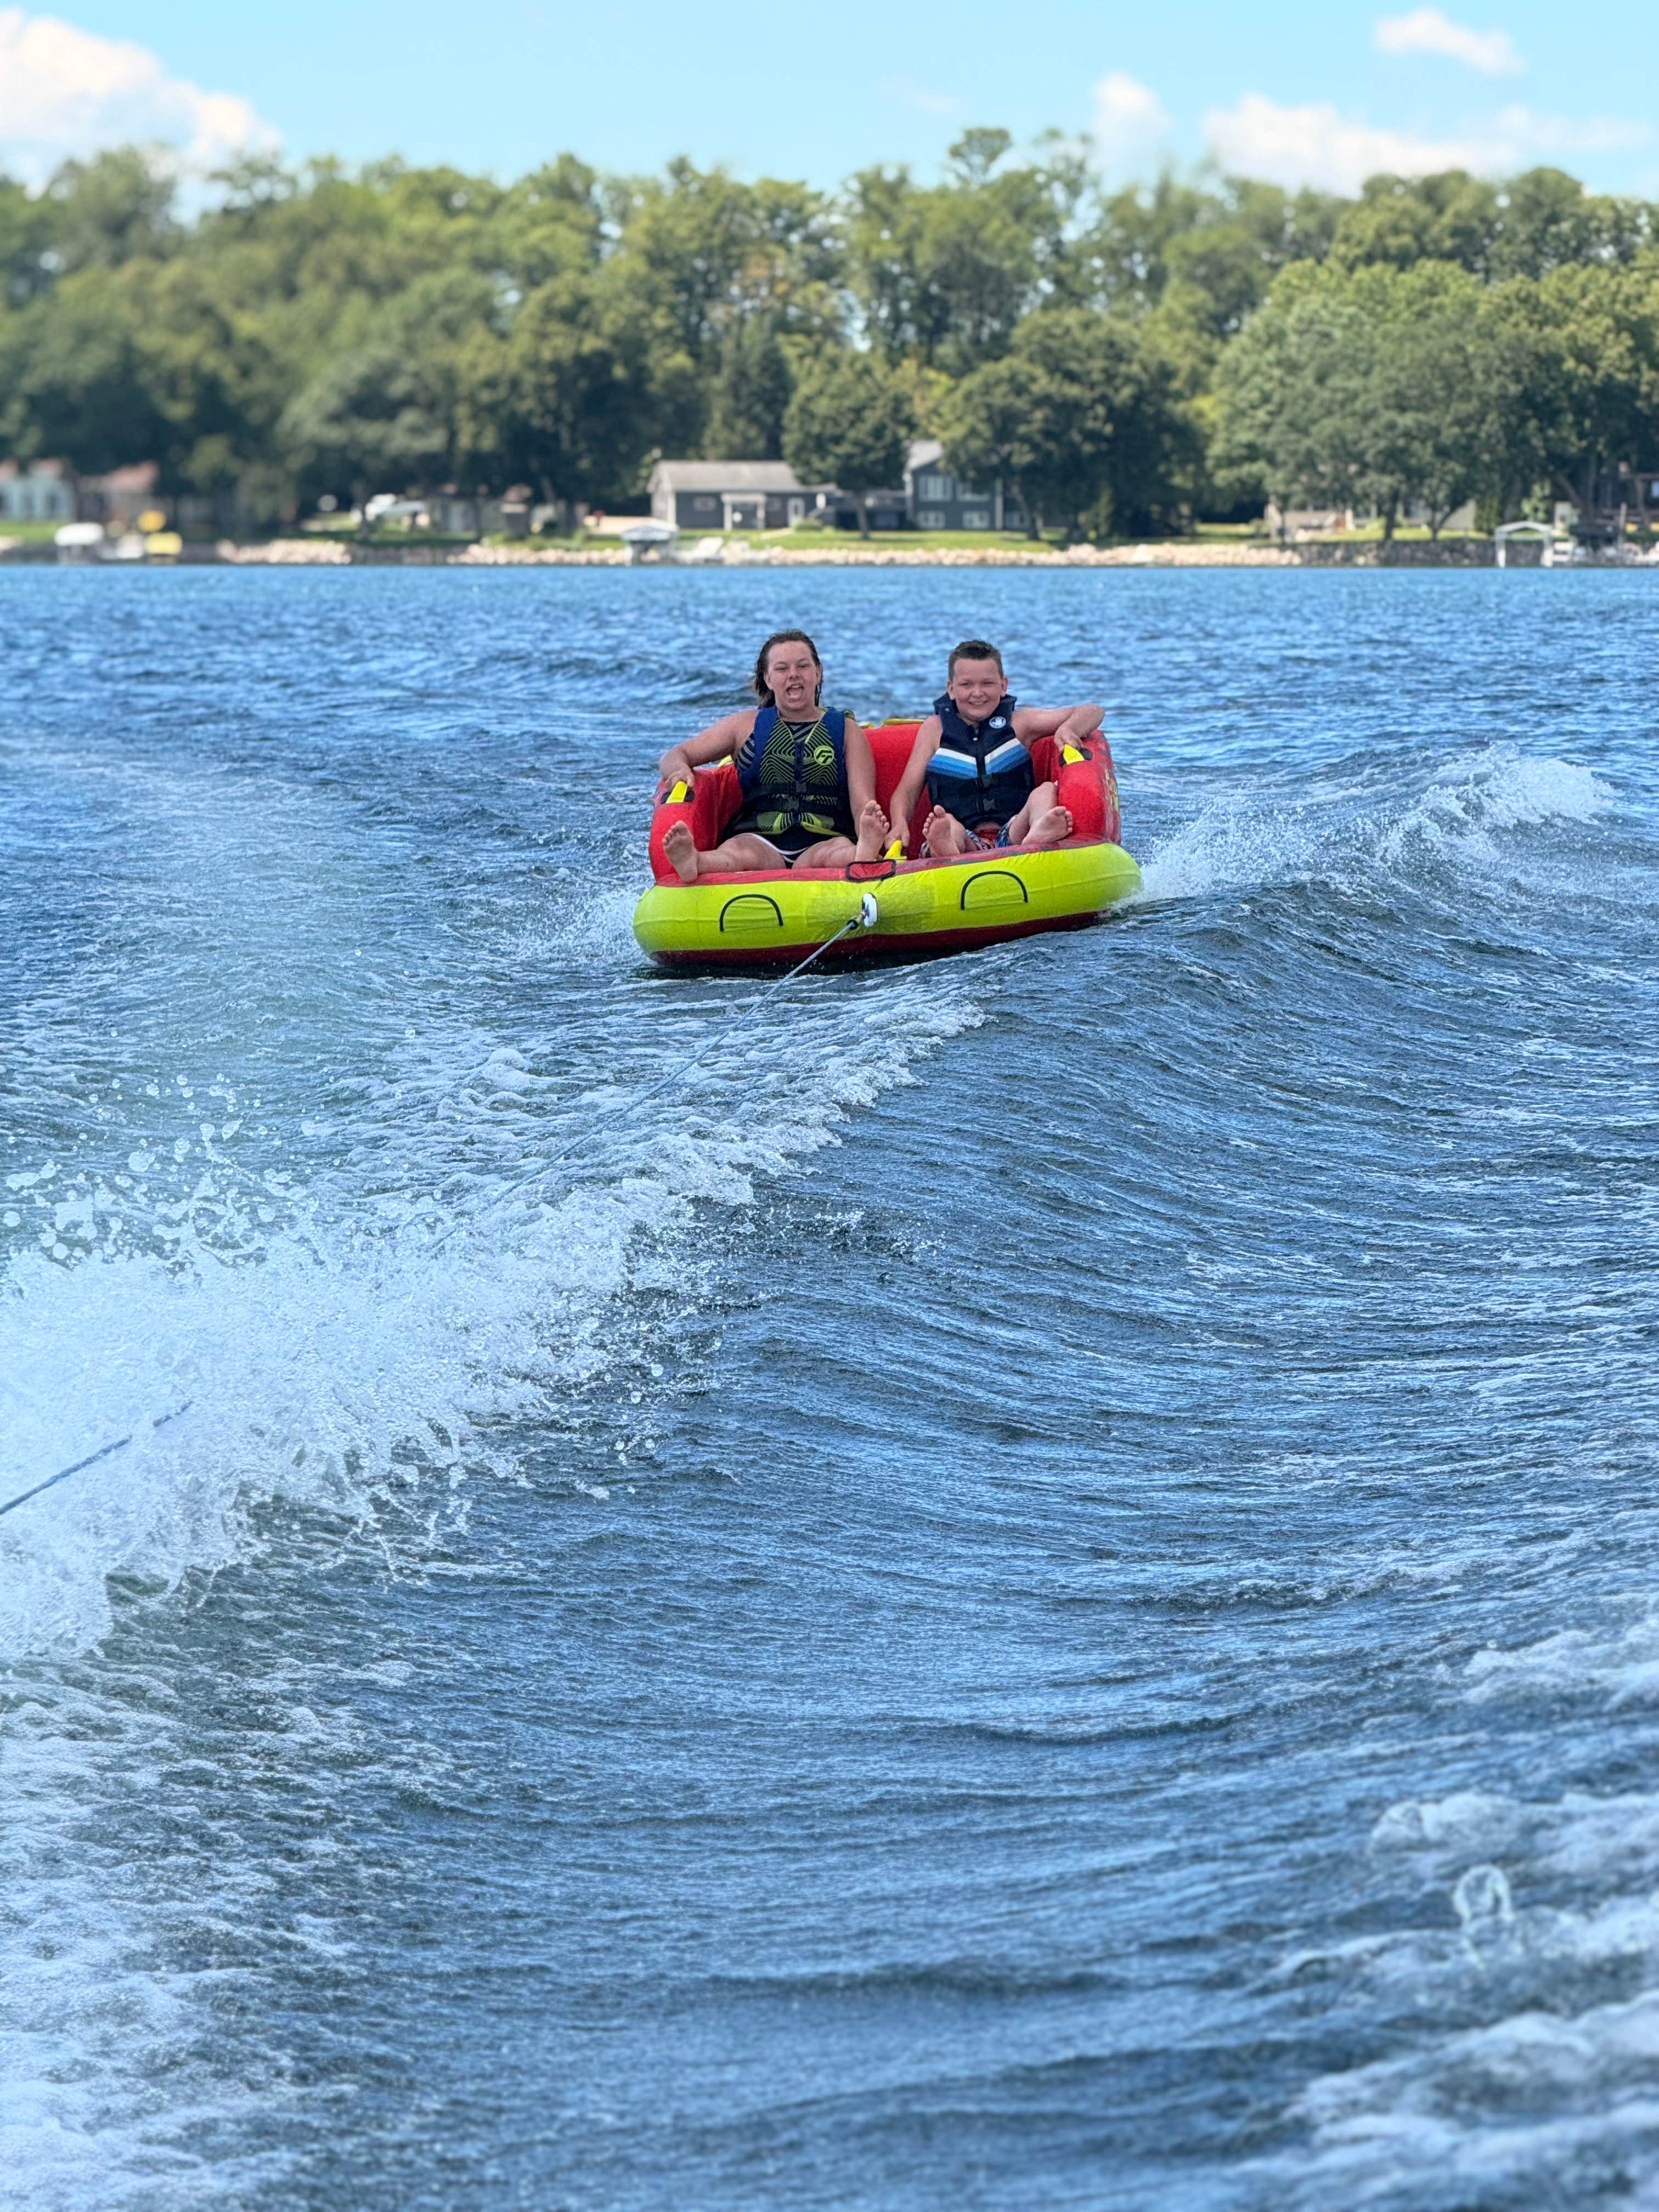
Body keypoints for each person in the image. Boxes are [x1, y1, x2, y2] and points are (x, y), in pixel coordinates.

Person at [656, 630, 891, 882]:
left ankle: (862, 854)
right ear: (768, 678)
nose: (794, 674)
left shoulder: (847, 731)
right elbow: (675, 755)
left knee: (836, 852)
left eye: (803, 666)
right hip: (760, 839)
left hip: (824, 838)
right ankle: (695, 862)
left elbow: (863, 804)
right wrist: (679, 770)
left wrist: (868, 828)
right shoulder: (743, 726)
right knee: (738, 853)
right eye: (782, 668)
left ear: (818, 673)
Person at [885, 639, 1103, 857]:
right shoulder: (934, 730)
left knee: (1045, 791)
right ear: (951, 689)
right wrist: (899, 823)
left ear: (1003, 686)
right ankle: (946, 849)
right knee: (946, 823)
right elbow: (907, 791)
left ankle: (1037, 836)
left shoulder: (1020, 723)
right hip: (963, 835)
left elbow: (1093, 711)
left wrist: (1069, 729)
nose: (978, 693)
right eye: (966, 685)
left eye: (988, 683)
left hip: (1013, 831)